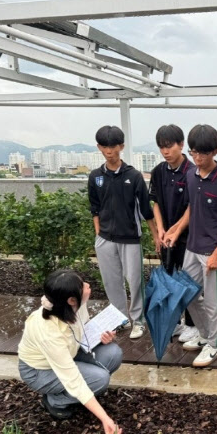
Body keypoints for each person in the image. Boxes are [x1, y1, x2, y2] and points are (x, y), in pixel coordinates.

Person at [164, 124, 217, 368]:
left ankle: (214, 344)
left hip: (212, 252)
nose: (197, 158)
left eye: (203, 154)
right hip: (192, 248)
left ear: (215, 152)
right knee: (187, 294)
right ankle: (206, 334)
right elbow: (191, 208)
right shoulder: (191, 175)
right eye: (194, 152)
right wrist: (176, 231)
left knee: (212, 301)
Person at [18, 270, 122, 434]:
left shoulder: (70, 306)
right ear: (71, 300)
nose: (88, 285)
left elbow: (79, 332)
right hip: (39, 371)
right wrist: (105, 419)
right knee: (100, 379)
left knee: (113, 352)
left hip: (70, 352)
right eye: (83, 286)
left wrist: (102, 337)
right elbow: (72, 378)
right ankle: (55, 401)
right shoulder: (48, 332)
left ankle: (82, 396)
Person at [88, 125, 158, 340]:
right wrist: (99, 234)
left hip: (130, 239)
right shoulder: (95, 176)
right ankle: (119, 319)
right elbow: (95, 208)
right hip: (106, 239)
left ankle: (138, 321)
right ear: (99, 148)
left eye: (114, 146)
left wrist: (156, 236)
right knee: (111, 282)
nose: (109, 151)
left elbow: (146, 211)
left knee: (134, 281)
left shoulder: (134, 176)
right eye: (105, 147)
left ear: (122, 147)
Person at [149, 124, 199, 344]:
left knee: (187, 279)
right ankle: (175, 321)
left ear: (181, 145)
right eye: (162, 147)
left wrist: (176, 230)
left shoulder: (191, 171)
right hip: (166, 237)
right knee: (168, 278)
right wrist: (160, 230)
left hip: (187, 237)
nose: (165, 151)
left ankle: (192, 324)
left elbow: (192, 207)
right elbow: (156, 202)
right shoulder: (159, 171)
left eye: (169, 146)